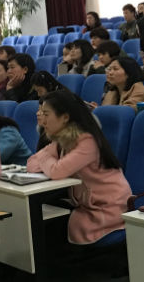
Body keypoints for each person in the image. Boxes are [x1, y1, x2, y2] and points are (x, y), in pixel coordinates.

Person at [27, 90, 132, 245]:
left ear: (65, 117)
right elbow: (31, 164)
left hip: (108, 208)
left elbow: (56, 171)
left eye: (46, 114)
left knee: (52, 230)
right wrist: (47, 159)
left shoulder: (87, 141)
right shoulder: (63, 140)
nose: (42, 120)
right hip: (87, 204)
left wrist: (45, 157)